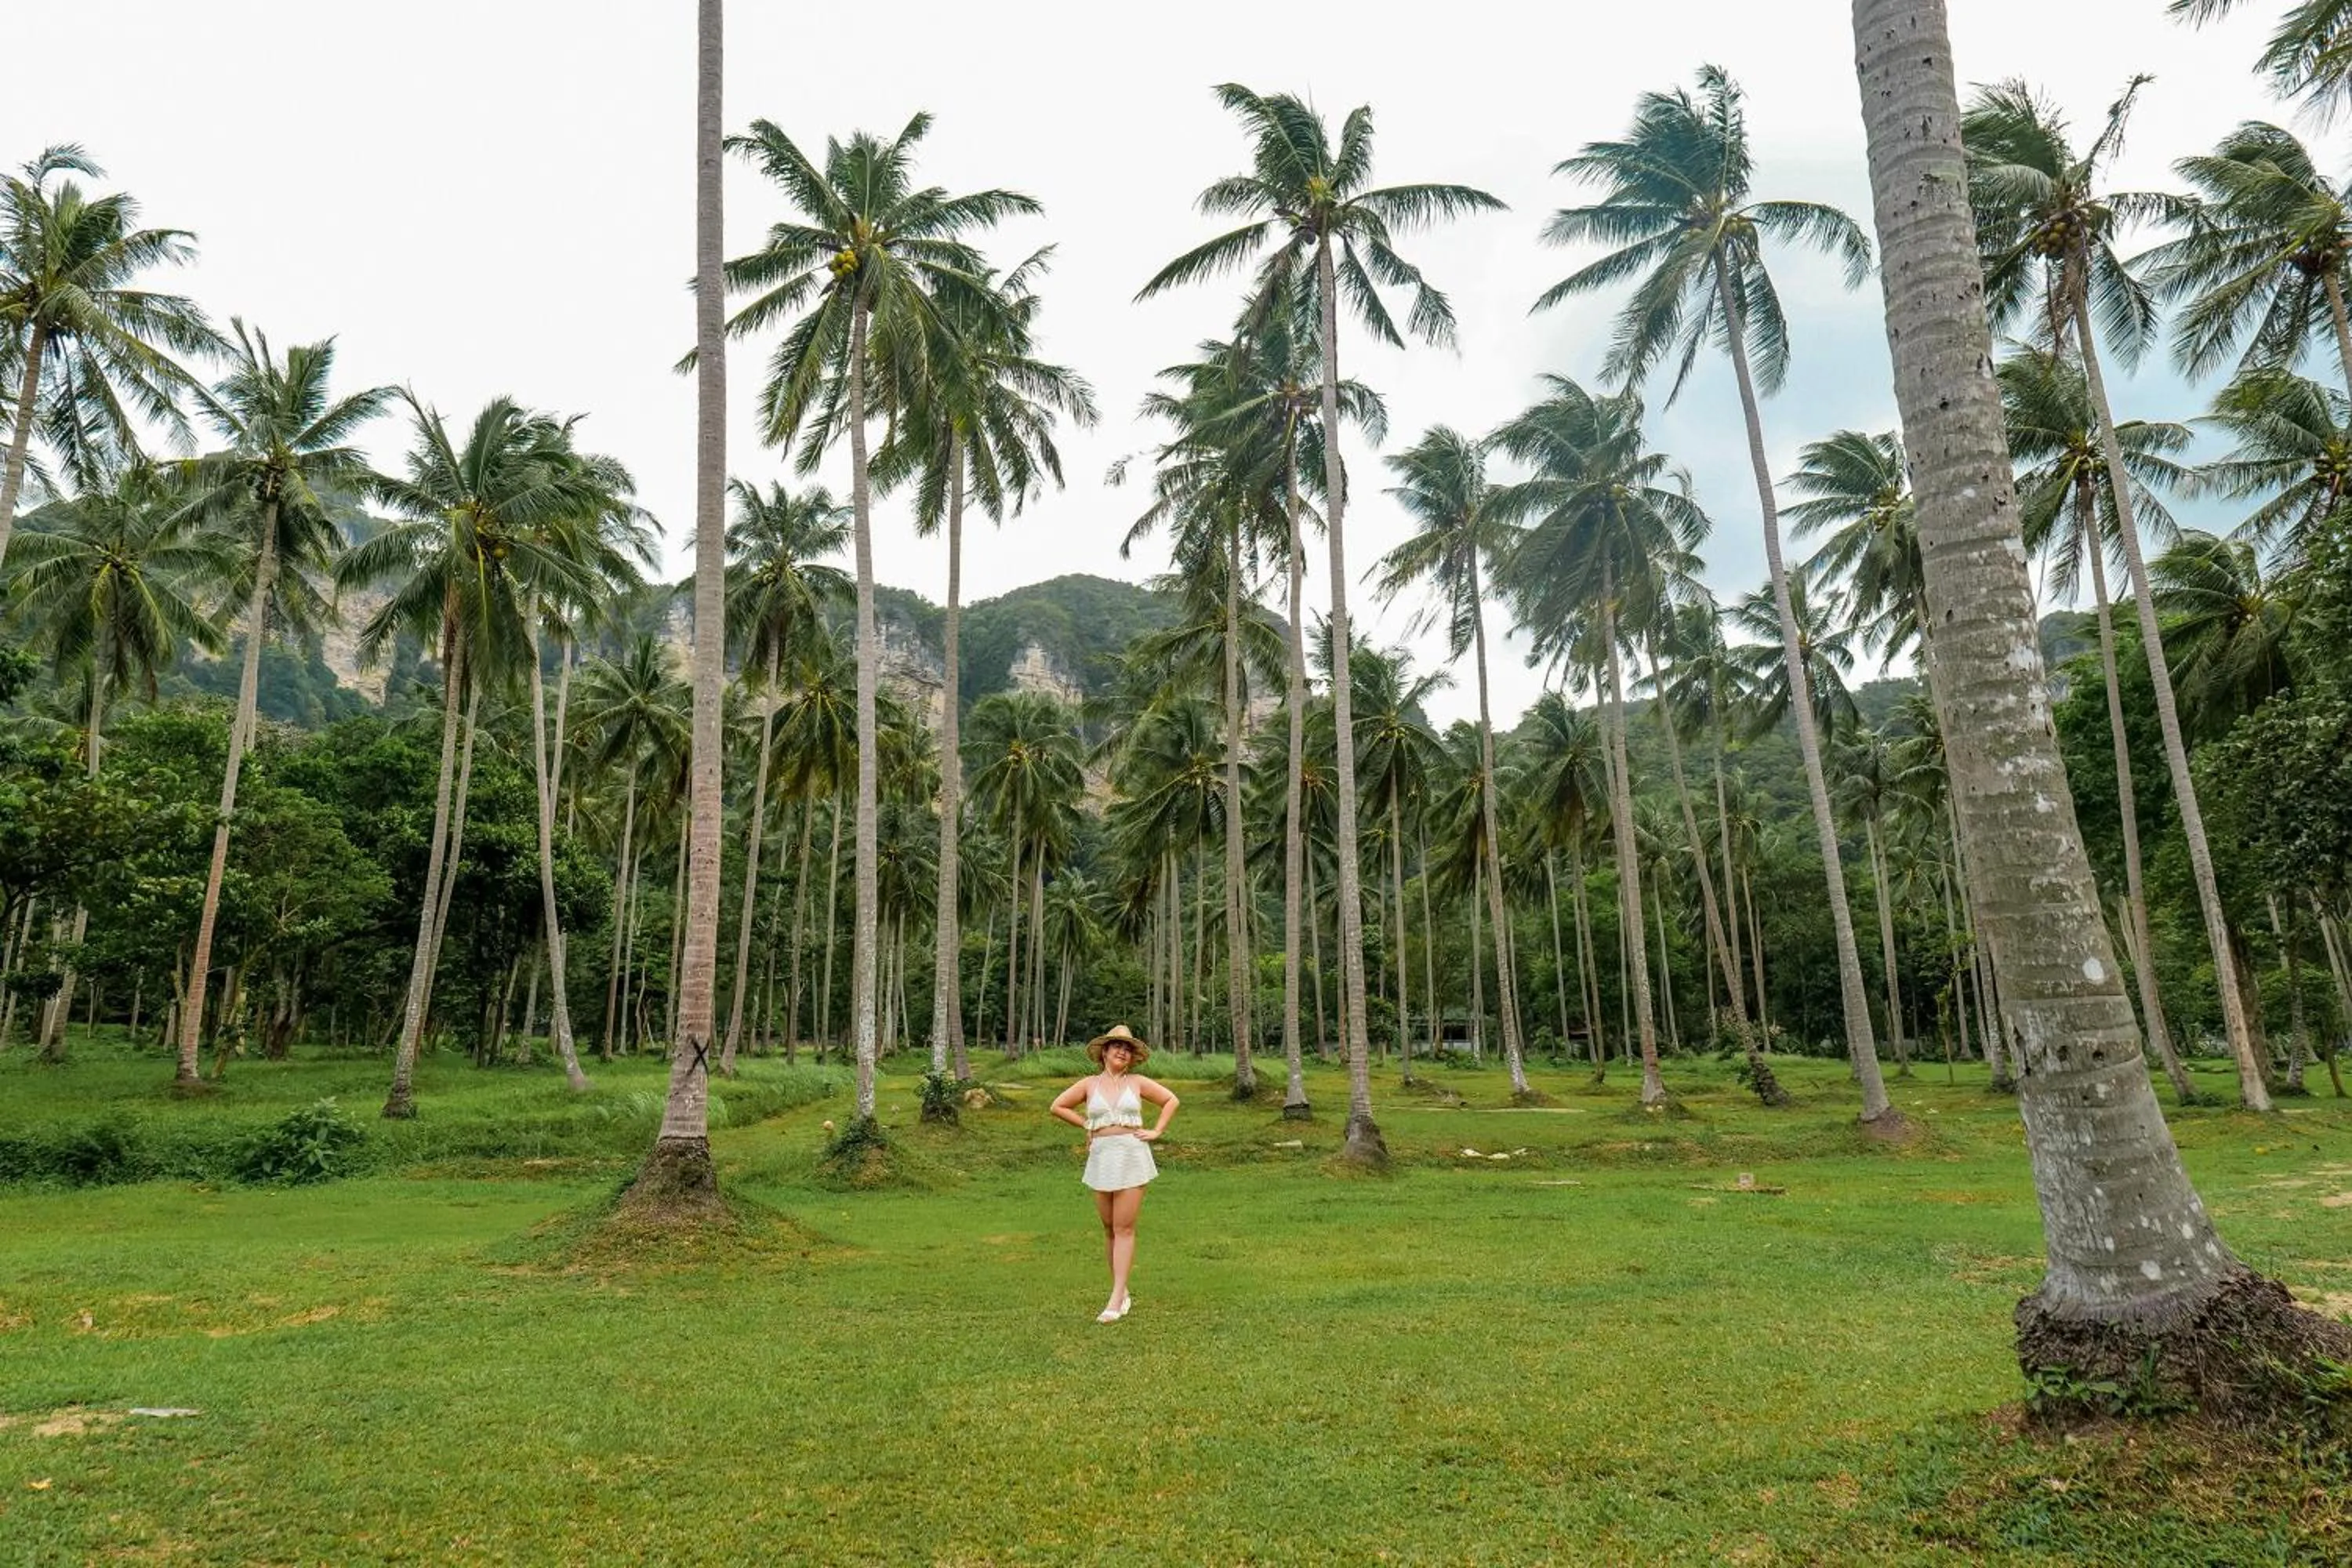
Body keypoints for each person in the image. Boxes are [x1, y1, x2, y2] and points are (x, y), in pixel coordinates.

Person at [1050, 1024, 1179, 1323]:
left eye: (1128, 1048)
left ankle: (1116, 1297)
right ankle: (1122, 1292)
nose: (1122, 1051)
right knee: (1109, 1227)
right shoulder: (1089, 1084)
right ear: (1105, 1052)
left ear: (1133, 1057)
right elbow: (1057, 1106)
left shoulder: (1137, 1082)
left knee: (1124, 1228)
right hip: (1101, 1157)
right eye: (1117, 1046)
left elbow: (1171, 1100)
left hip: (1132, 1155)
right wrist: (1086, 1124)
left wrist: (1157, 1130)